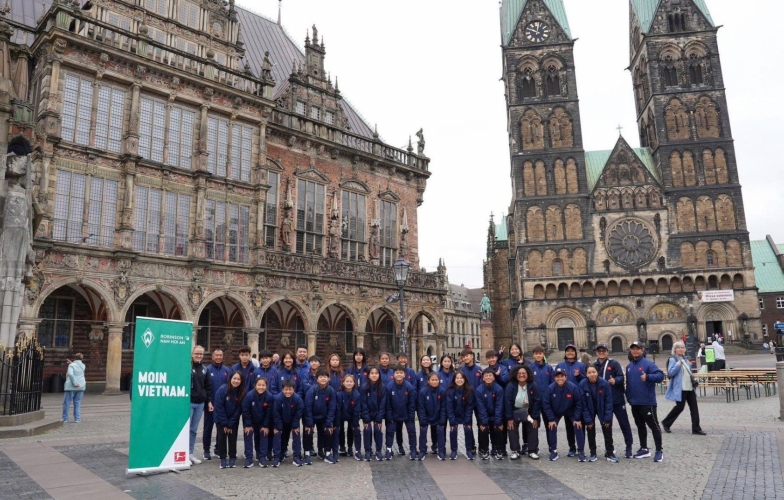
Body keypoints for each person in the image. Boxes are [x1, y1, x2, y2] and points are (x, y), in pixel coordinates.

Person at [626, 341, 665, 462]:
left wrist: (648, 377)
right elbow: (629, 384)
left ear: (642, 350)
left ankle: (659, 451)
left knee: (654, 426)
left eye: (637, 349)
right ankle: (644, 449)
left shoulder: (648, 364)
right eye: (633, 349)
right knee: (640, 426)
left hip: (647, 402)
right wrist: (629, 398)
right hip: (635, 403)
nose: (635, 351)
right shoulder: (629, 366)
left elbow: (660, 376)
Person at [593, 344, 634, 458]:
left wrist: (615, 380)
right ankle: (609, 448)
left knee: (624, 424)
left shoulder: (614, 363)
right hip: (604, 401)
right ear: (596, 353)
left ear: (607, 352)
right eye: (599, 351)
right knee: (606, 426)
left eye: (603, 351)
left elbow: (621, 377)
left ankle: (629, 446)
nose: (601, 352)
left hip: (617, 399)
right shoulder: (594, 365)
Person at [662, 342, 705, 436]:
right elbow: (670, 373)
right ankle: (666, 422)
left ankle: (696, 428)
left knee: (694, 408)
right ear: (675, 349)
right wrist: (677, 365)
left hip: (690, 387)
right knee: (680, 407)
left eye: (682, 347)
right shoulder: (673, 359)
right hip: (681, 388)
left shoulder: (685, 359)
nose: (681, 349)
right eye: (679, 348)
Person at [542, 367, 584, 462]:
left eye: (562, 376)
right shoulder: (550, 388)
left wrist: (577, 418)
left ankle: (581, 451)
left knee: (578, 426)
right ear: (554, 378)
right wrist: (551, 419)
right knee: (552, 426)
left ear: (566, 377)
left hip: (571, 411)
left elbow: (578, 403)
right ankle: (553, 451)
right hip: (556, 412)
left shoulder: (573, 387)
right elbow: (546, 404)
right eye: (557, 377)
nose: (560, 378)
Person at [580, 366, 619, 463]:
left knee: (607, 429)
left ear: (597, 372)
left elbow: (608, 402)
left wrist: (607, 418)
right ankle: (593, 453)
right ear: (586, 374)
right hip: (589, 408)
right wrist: (587, 420)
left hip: (602, 407)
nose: (592, 374)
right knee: (590, 430)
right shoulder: (582, 384)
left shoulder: (604, 383)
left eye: (594, 372)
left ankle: (610, 452)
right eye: (589, 372)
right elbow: (583, 404)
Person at [505, 364, 541, 460]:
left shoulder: (533, 385)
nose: (521, 375)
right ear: (515, 374)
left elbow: (537, 401)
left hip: (529, 412)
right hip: (515, 411)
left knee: (533, 427)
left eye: (524, 373)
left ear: (528, 374)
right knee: (512, 428)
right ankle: (515, 451)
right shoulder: (511, 385)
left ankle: (532, 450)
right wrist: (509, 418)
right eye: (519, 373)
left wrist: (535, 417)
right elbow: (508, 402)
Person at [555, 344, 585, 457]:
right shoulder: (560, 365)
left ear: (575, 353)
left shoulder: (581, 365)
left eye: (572, 351)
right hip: (565, 400)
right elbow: (556, 380)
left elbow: (586, 379)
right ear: (565, 353)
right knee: (569, 426)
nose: (570, 353)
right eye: (568, 351)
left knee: (579, 425)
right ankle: (572, 447)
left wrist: (579, 375)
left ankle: (581, 448)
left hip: (578, 399)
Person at [203, 348, 231, 461]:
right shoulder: (207, 370)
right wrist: (208, 401)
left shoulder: (227, 370)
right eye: (216, 355)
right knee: (208, 428)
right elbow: (205, 388)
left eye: (220, 355)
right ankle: (206, 450)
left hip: (222, 406)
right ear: (212, 357)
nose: (218, 357)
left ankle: (218, 449)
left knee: (220, 428)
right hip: (210, 404)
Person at [304, 369, 336, 464]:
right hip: (312, 416)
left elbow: (332, 408)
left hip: (324, 417)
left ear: (328, 379)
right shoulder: (312, 390)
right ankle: (307, 454)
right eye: (321, 377)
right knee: (308, 432)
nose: (323, 379)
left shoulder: (331, 391)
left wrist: (329, 422)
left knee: (328, 431)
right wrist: (309, 423)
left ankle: (326, 453)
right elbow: (308, 407)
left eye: (325, 377)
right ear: (317, 379)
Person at [385, 365, 418, 460]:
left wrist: (411, 416)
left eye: (401, 373)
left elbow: (412, 404)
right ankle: (389, 450)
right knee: (390, 431)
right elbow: (388, 404)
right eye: (397, 373)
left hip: (407, 414)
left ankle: (413, 450)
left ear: (404, 374)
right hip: (394, 414)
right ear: (393, 374)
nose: (399, 375)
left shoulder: (409, 387)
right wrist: (389, 417)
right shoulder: (389, 387)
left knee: (411, 431)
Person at [214, 370, 245, 469]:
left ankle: (232, 457)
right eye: (234, 378)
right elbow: (219, 407)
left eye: (238, 379)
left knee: (232, 438)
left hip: (233, 420)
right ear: (230, 379)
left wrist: (231, 423)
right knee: (221, 438)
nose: (236, 381)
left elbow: (239, 409)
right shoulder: (222, 390)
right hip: (221, 419)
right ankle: (223, 458)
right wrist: (225, 423)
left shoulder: (241, 392)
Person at [241, 377, 273, 468]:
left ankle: (262, 457)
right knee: (248, 435)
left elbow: (269, 413)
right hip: (250, 420)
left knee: (264, 435)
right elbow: (245, 410)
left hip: (263, 421)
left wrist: (265, 425)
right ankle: (249, 458)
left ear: (266, 386)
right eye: (259, 385)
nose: (261, 387)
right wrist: (248, 425)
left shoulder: (269, 396)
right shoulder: (249, 396)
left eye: (263, 385)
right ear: (255, 385)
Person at [272, 380, 304, 467]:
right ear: (282, 389)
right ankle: (277, 457)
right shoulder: (278, 398)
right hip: (280, 421)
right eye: (286, 389)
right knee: (278, 435)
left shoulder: (298, 399)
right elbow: (276, 413)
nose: (288, 392)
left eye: (290, 390)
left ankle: (297, 456)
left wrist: (294, 425)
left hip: (293, 421)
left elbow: (299, 413)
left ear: (293, 389)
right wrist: (279, 427)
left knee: (296, 434)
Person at [475, 368, 505, 460]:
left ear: (494, 377)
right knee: (483, 428)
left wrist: (498, 421)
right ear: (483, 378)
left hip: (496, 415)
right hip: (485, 415)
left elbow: (499, 406)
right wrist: (484, 422)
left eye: (490, 375)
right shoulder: (479, 390)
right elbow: (481, 408)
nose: (488, 377)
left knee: (499, 428)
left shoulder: (499, 389)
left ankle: (499, 450)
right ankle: (485, 450)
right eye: (486, 376)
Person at [189, 345, 211, 465]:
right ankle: (183, 454)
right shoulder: (188, 367)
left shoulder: (205, 369)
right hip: (189, 403)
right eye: (196, 353)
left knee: (193, 430)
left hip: (200, 404)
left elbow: (208, 386)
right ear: (192, 354)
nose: (198, 355)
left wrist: (208, 401)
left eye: (201, 354)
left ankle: (190, 453)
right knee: (186, 429)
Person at [417, 372, 447, 460]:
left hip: (438, 417)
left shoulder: (442, 391)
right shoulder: (423, 392)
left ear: (439, 381)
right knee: (423, 430)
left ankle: (441, 451)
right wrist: (423, 421)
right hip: (426, 417)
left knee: (440, 430)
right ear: (428, 381)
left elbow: (443, 407)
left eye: (436, 380)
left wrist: (442, 420)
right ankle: (422, 451)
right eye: (432, 380)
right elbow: (421, 408)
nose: (434, 382)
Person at [446, 371, 475, 460]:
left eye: (461, 378)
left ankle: (469, 450)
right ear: (454, 380)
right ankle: (454, 451)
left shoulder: (469, 391)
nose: (459, 380)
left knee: (468, 429)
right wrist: (452, 420)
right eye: (457, 378)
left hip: (465, 415)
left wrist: (467, 419)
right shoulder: (450, 391)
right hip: (454, 415)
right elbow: (449, 407)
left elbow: (470, 407)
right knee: (453, 430)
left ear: (464, 379)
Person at [531, 345, 554, 454]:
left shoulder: (549, 368)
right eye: (536, 354)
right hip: (534, 402)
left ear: (543, 354)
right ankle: (534, 448)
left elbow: (553, 384)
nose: (538, 355)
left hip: (547, 401)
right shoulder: (530, 368)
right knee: (534, 425)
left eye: (540, 353)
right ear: (533, 355)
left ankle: (552, 447)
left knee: (549, 425)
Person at [361, 367, 387, 461]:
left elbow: (382, 404)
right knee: (367, 430)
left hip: (378, 413)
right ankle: (368, 450)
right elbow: (363, 403)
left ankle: (378, 450)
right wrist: (366, 418)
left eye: (376, 373)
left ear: (379, 375)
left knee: (378, 430)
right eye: (372, 373)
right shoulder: (364, 387)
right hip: (367, 413)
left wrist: (379, 418)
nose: (374, 375)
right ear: (368, 375)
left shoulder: (382, 387)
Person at [335, 374, 363, 462]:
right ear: (343, 383)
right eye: (347, 381)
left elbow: (356, 411)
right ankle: (341, 447)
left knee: (355, 429)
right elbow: (338, 410)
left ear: (354, 383)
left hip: (352, 415)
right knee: (339, 430)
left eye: (351, 381)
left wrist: (355, 424)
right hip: (341, 415)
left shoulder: (357, 395)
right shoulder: (339, 394)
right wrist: (337, 424)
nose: (349, 383)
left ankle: (355, 449)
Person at [63, 353, 86, 423]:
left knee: (67, 403)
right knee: (77, 403)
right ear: (82, 358)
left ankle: (65, 418)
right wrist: (72, 363)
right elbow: (77, 368)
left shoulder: (71, 365)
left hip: (71, 386)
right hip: (81, 386)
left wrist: (75, 383)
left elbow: (70, 374)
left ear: (75, 358)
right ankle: (77, 418)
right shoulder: (83, 366)